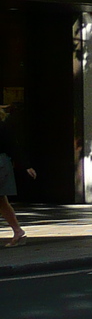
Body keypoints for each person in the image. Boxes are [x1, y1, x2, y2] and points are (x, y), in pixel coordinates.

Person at [0, 106, 36, 247]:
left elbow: (13, 146)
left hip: (1, 164)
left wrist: (26, 165)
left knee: (2, 201)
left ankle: (18, 231)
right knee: (2, 201)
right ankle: (18, 231)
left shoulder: (2, 127)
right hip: (2, 164)